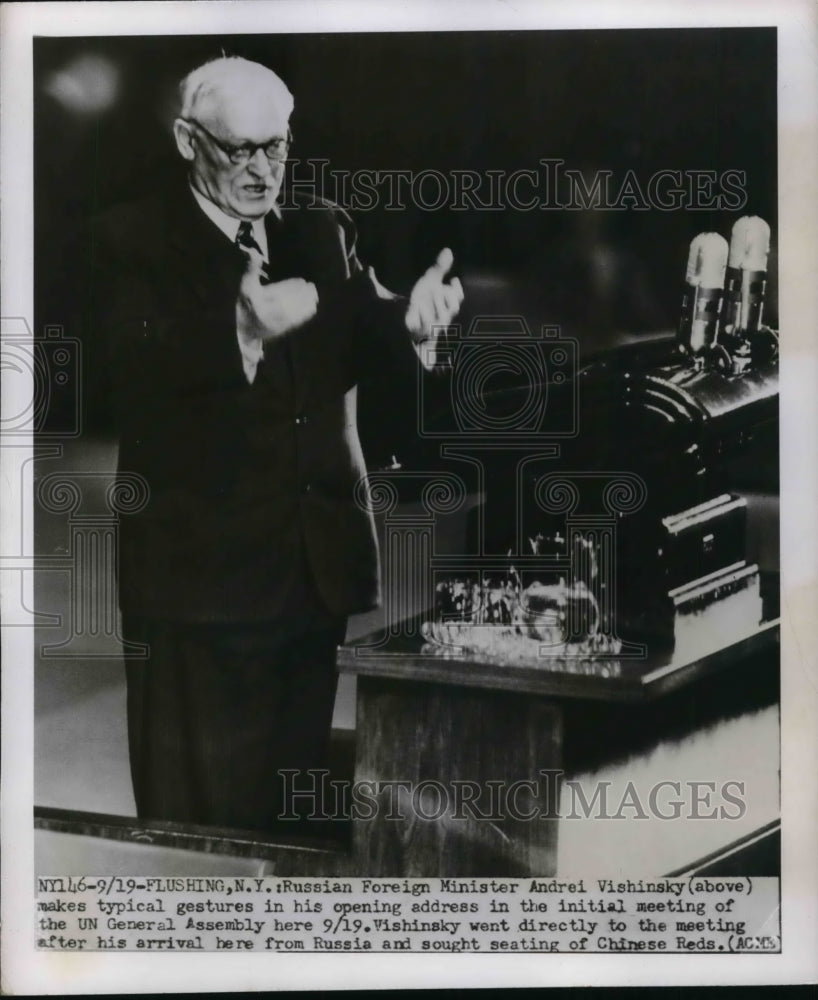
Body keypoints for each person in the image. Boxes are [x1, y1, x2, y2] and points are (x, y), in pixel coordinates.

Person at [91, 56, 463, 833]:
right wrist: (239, 329)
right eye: (241, 151)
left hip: (312, 576)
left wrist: (413, 327)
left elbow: (364, 334)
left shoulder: (320, 230)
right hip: (200, 595)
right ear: (189, 140)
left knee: (290, 822)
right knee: (202, 832)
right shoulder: (131, 241)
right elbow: (118, 370)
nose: (264, 170)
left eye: (278, 147)